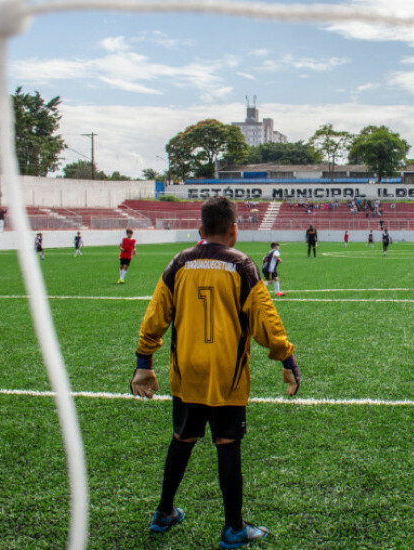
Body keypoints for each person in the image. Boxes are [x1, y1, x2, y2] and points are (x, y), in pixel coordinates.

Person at [130, 197, 300, 548]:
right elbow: (266, 321)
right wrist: (287, 360)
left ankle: (164, 513)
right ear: (234, 230)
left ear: (200, 230)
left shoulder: (179, 262)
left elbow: (156, 314)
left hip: (187, 371)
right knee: (227, 443)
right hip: (227, 374)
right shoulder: (242, 265)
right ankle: (234, 528)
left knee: (182, 438)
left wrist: (144, 362)